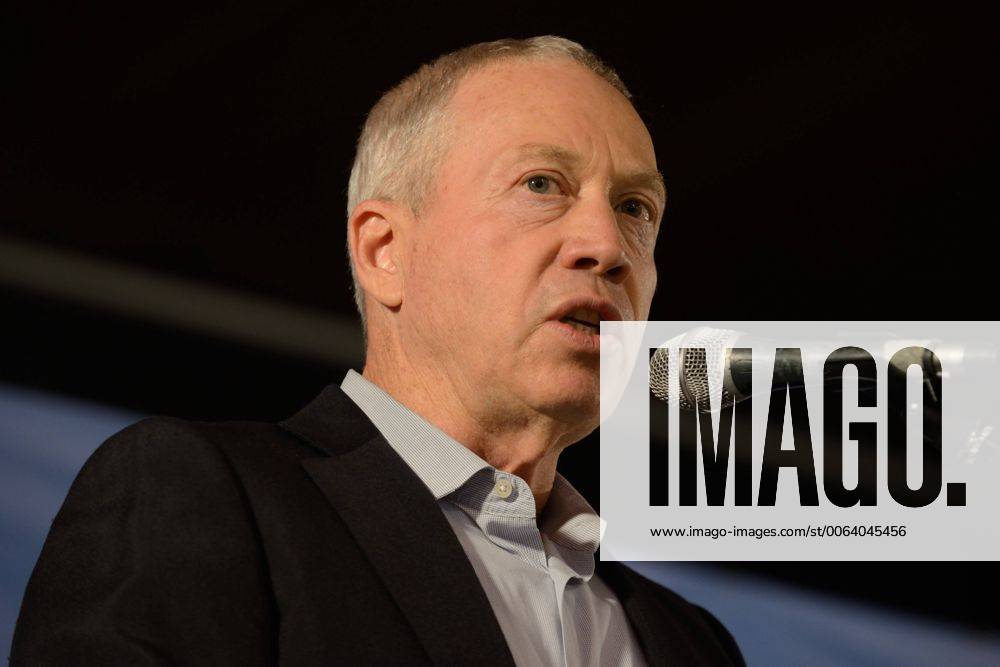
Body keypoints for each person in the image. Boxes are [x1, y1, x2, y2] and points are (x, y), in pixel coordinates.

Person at [12, 36, 744, 666]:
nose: (608, 247)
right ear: (384, 250)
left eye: (635, 208)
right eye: (542, 184)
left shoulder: (692, 644)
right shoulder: (202, 496)